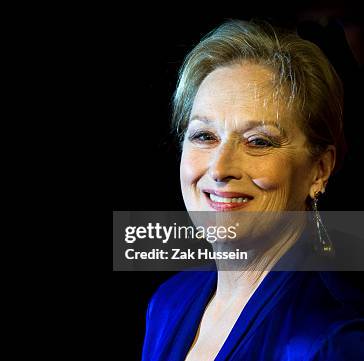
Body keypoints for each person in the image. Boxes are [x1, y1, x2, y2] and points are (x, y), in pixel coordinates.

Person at [141, 20, 364, 361]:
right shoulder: (168, 301)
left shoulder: (333, 338)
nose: (219, 169)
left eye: (258, 141)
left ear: (319, 170)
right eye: (204, 136)